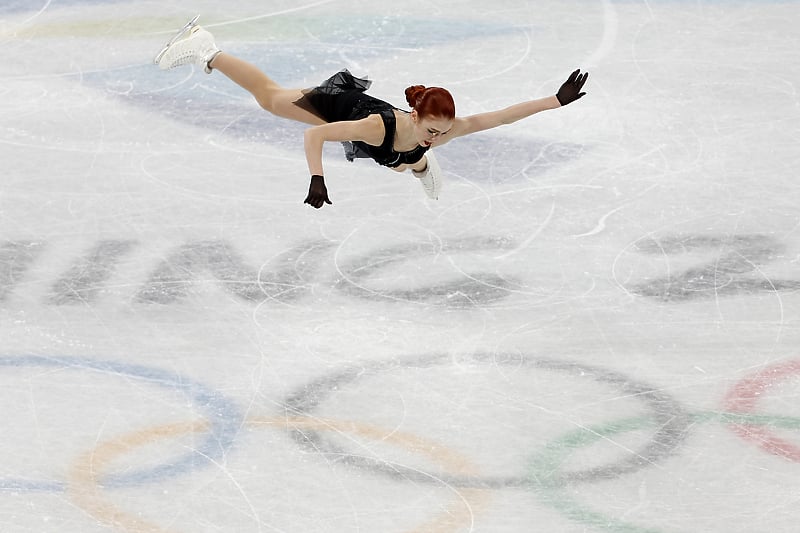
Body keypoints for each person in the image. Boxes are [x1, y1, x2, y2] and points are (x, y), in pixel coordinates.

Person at [154, 19, 588, 209]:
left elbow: (503, 116)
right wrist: (317, 179)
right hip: (338, 110)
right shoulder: (374, 125)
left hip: (389, 145)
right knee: (269, 99)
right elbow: (314, 137)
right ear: (417, 116)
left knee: (405, 162)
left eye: (443, 132)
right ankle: (205, 47)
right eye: (434, 130)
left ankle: (421, 169)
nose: (440, 135)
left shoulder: (443, 130)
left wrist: (557, 100)